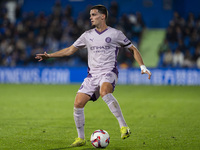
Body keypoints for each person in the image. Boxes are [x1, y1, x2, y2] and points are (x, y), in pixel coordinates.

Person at [35, 5, 151, 147]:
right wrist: (50, 56)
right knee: (78, 103)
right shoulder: (87, 35)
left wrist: (142, 66)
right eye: (90, 15)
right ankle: (81, 138)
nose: (91, 17)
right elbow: (70, 50)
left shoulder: (115, 34)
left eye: (94, 14)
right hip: (92, 75)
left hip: (109, 72)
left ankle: (124, 127)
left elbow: (132, 49)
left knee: (104, 92)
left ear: (103, 16)